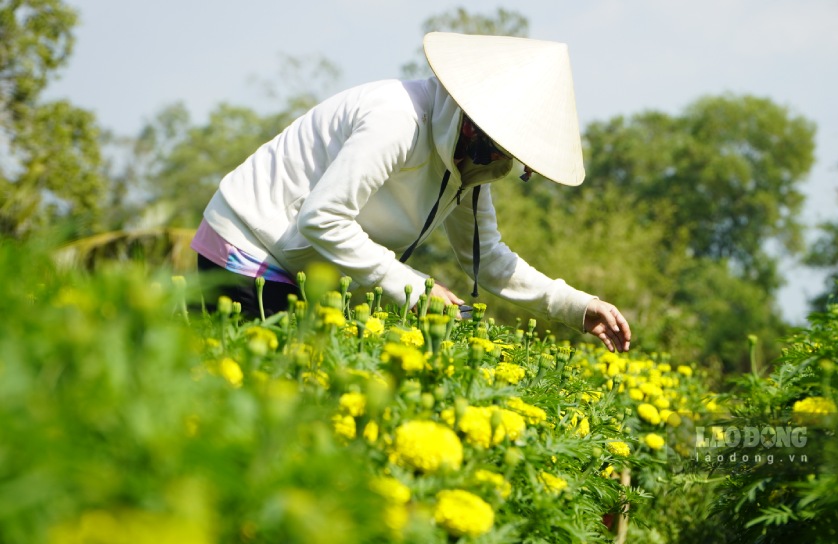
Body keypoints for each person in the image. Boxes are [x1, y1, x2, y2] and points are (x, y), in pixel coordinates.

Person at [191, 32, 631, 353]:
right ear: (473, 117)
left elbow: (488, 259)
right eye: (501, 146)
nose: (502, 161)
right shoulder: (398, 118)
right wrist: (419, 289)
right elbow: (322, 219)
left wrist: (578, 306)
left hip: (302, 271)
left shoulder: (469, 166)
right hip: (249, 249)